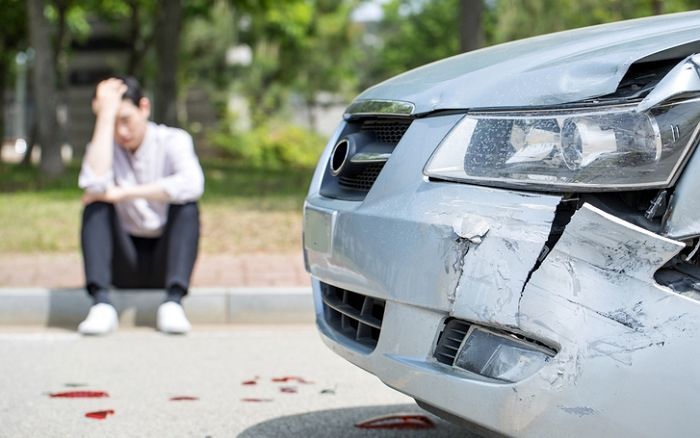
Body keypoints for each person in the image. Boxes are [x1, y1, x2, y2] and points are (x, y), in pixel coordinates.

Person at [77, 76, 204, 335]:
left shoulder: (173, 140)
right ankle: (101, 303)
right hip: (123, 260)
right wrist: (105, 115)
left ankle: (173, 302)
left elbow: (192, 184)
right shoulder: (104, 147)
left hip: (164, 258)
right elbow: (92, 184)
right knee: (95, 207)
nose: (121, 132)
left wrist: (123, 194)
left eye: (125, 120)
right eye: (112, 123)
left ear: (144, 108)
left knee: (187, 207)